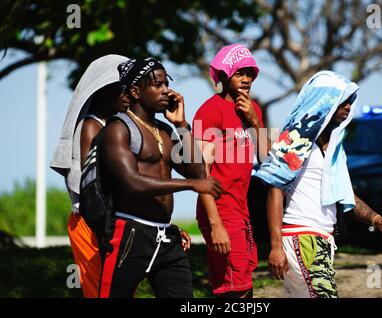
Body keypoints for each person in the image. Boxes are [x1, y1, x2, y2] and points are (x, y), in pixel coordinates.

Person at [255, 71, 382, 298]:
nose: (349, 108)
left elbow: (344, 195)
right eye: (343, 101)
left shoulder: (332, 147)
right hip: (302, 237)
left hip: (321, 239)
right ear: (325, 100)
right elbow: (275, 190)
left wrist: (376, 219)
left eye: (350, 102)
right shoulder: (296, 138)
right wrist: (275, 247)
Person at [97, 57, 222, 298]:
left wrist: (182, 125)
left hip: (166, 236)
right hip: (130, 234)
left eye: (166, 84)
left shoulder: (165, 131)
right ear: (135, 91)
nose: (167, 90)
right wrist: (191, 185)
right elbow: (132, 182)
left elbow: (196, 171)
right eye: (157, 85)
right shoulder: (118, 129)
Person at [192, 44, 270, 298]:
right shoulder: (209, 112)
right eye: (239, 73)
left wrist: (256, 122)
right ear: (225, 76)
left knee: (242, 280)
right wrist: (215, 224)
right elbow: (200, 174)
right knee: (235, 287)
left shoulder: (252, 110)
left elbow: (267, 158)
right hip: (220, 208)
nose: (246, 79)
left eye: (250, 73)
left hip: (241, 208)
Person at [50, 54, 129, 297]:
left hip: (108, 220)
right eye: (123, 89)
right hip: (91, 221)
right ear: (104, 90)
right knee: (100, 291)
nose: (130, 94)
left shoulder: (115, 125)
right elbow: (92, 183)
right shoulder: (92, 127)